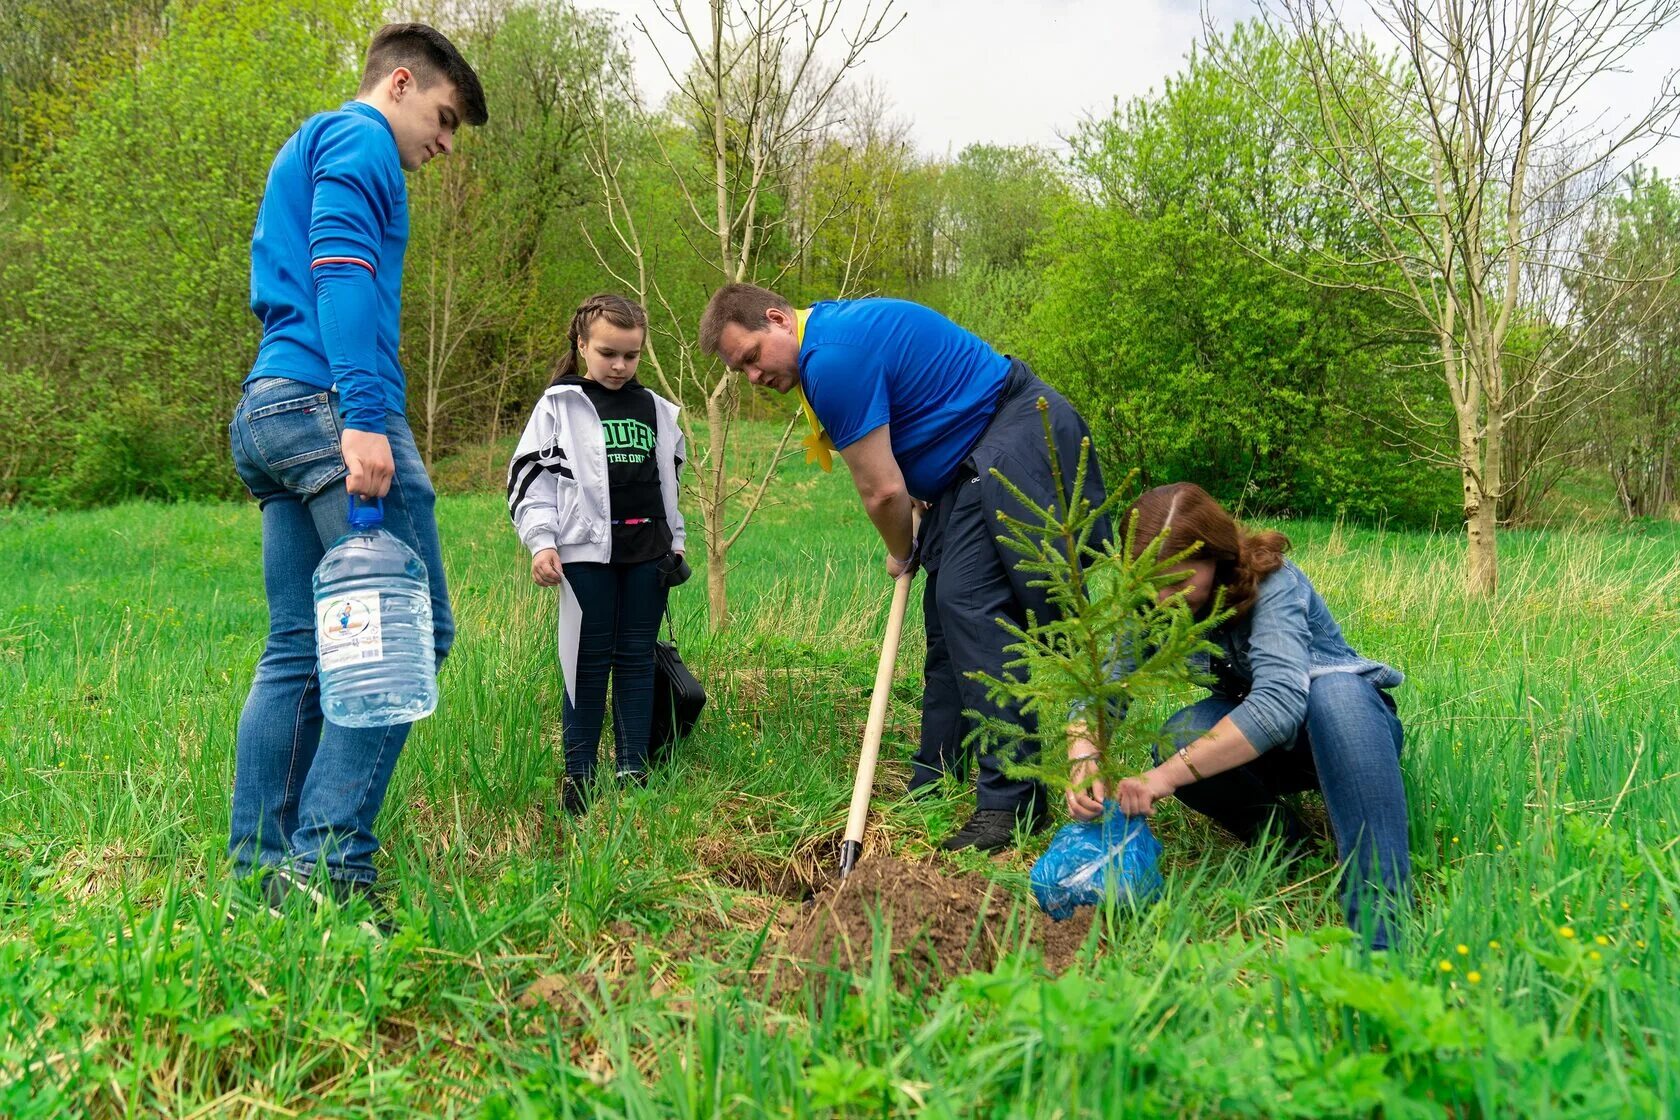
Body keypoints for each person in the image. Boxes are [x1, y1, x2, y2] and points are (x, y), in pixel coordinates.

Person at [227, 24, 488, 914]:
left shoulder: (313, 140)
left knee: (300, 649)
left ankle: (261, 877)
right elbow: (339, 269)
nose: (444, 146)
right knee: (412, 634)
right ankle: (330, 871)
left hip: (270, 409)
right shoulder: (362, 138)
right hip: (329, 408)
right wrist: (365, 419)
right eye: (445, 120)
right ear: (402, 84)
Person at [699, 285, 1108, 851]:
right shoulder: (826, 336)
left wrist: (901, 546)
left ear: (776, 320)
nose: (752, 377)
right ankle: (934, 781)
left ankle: (1010, 801)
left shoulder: (831, 358)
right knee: (948, 626)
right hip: (968, 460)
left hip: (1014, 435)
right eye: (738, 369)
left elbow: (883, 491)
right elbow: (912, 416)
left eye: (750, 357)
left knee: (969, 608)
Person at [1067, 482, 1410, 948]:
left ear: (1217, 556)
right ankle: (1289, 846)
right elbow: (1104, 687)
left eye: (1178, 579)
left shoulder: (1271, 583)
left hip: (1348, 734)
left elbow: (1281, 704)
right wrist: (1083, 754)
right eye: (1152, 582)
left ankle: (1380, 925)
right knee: (1180, 735)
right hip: (1265, 748)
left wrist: (1162, 779)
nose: (1164, 596)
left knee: (1334, 695)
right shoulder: (1153, 600)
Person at [508, 294, 689, 816]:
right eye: (608, 352)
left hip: (647, 554)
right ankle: (579, 778)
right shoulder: (559, 406)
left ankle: (632, 771)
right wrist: (542, 541)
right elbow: (529, 480)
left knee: (636, 661)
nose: (619, 365)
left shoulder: (657, 408)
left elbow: (669, 480)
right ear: (582, 345)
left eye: (631, 355)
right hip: (584, 554)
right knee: (584, 664)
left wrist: (674, 541)